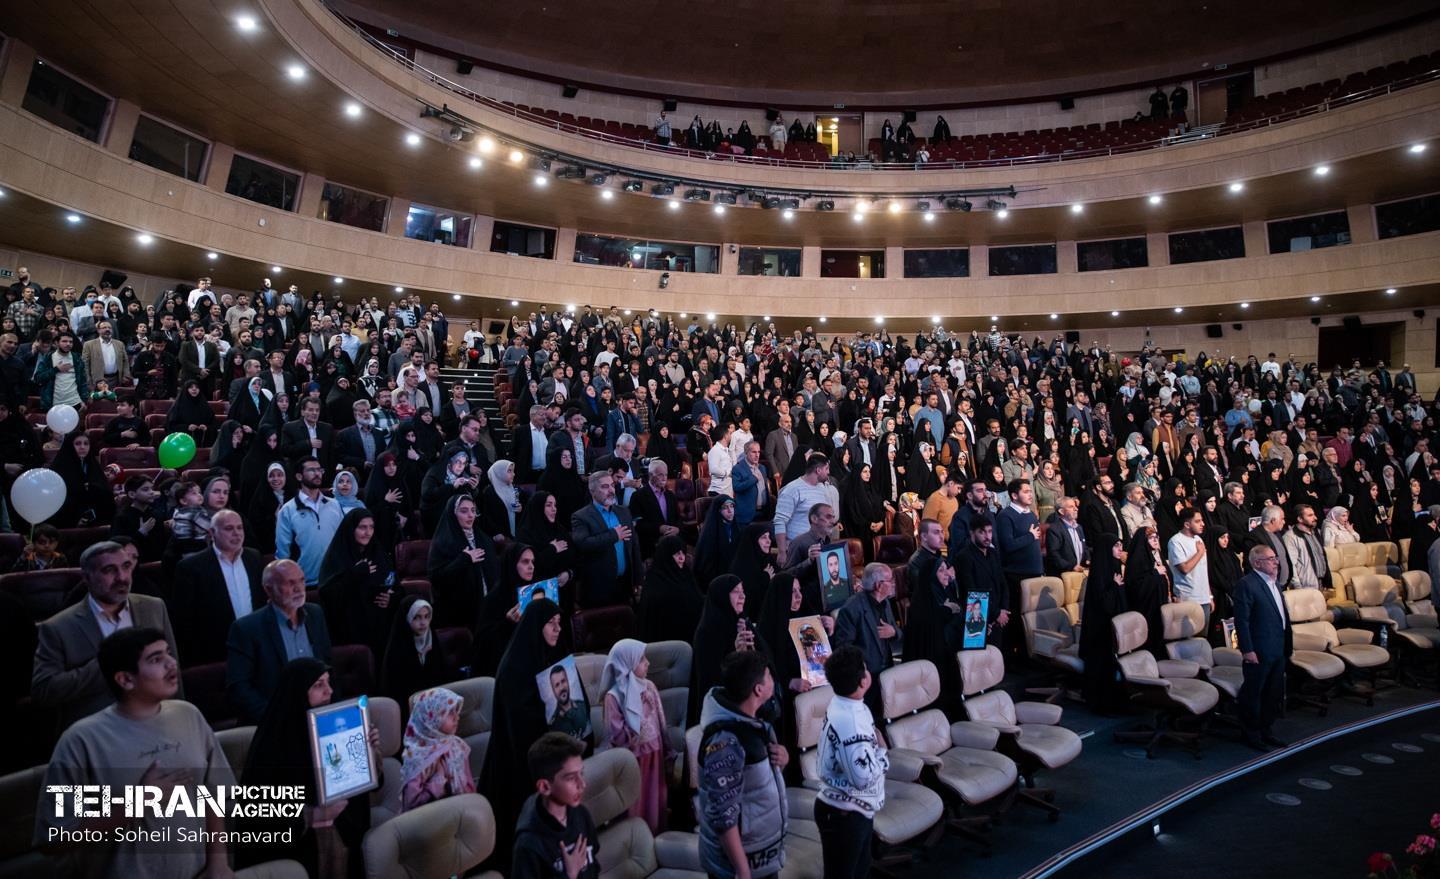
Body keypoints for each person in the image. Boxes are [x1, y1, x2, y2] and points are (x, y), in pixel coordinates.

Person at [35, 628, 234, 879]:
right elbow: (53, 839)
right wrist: (136, 803)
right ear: (125, 680)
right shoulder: (81, 741)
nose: (171, 663)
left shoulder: (189, 715)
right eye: (156, 659)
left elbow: (214, 794)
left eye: (168, 653)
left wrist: (219, 863)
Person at [237, 657, 375, 875]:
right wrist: (310, 816)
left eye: (329, 682)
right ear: (298, 692)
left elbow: (361, 788)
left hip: (343, 838)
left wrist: (368, 752)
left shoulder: (332, 730)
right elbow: (256, 814)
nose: (329, 691)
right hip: (295, 851)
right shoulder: (273, 744)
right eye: (319, 685)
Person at [32, 541, 178, 731]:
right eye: (109, 570)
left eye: (126, 566)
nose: (122, 577)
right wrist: (107, 664)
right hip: (98, 732)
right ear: (87, 577)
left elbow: (173, 670)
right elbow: (44, 691)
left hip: (158, 723)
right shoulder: (58, 627)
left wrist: (176, 720)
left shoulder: (154, 607)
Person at [481, 598, 565, 866]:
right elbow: (520, 723)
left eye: (559, 623)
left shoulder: (547, 656)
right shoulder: (513, 668)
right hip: (516, 761)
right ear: (536, 627)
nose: (557, 629)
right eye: (551, 623)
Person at [696, 649, 788, 879]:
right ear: (758, 689)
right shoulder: (725, 743)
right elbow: (724, 817)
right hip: (741, 866)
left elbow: (754, 784)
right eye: (769, 676)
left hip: (761, 855)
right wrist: (742, 870)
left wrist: (781, 761)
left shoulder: (751, 722)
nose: (773, 680)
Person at [225, 559, 333, 724]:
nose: (299, 588)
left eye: (301, 581)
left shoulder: (315, 614)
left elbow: (328, 663)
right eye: (290, 583)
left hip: (318, 715)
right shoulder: (246, 628)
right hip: (275, 720)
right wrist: (276, 720)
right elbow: (239, 688)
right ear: (269, 589)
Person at [815, 645, 889, 879]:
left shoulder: (845, 703)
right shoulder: (851, 722)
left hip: (852, 810)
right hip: (845, 815)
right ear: (863, 681)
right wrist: (882, 754)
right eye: (865, 669)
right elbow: (862, 779)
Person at [171, 509, 266, 665]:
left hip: (256, 644)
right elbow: (184, 620)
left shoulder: (254, 557)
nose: (236, 533)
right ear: (212, 533)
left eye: (239, 527)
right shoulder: (191, 567)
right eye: (229, 528)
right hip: (216, 652)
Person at [599, 639, 669, 834]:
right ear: (627, 663)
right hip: (634, 761)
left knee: (654, 800)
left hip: (654, 756)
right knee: (635, 803)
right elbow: (617, 735)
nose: (648, 663)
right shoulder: (614, 697)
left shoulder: (650, 687)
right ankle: (634, 839)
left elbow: (661, 720)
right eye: (641, 659)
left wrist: (668, 750)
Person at [512, 732, 600, 879]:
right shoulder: (528, 844)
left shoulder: (581, 813)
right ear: (545, 787)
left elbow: (594, 865)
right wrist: (570, 875)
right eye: (571, 778)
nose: (582, 784)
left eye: (582, 773)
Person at [1232, 546, 1292, 752]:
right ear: (1257, 563)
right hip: (1259, 650)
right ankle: (1251, 734)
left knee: (1272, 693)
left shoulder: (1275, 583)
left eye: (1276, 558)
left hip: (1278, 647)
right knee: (1254, 693)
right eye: (1271, 559)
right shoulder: (1246, 584)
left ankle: (1266, 730)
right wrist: (1247, 650)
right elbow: (1242, 621)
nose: (1276, 562)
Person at [832, 562, 901, 731]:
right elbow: (843, 649)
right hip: (866, 678)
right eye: (890, 580)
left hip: (886, 673)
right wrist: (861, 673)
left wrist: (893, 632)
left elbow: (896, 632)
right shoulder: (851, 608)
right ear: (878, 585)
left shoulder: (886, 603)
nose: (893, 583)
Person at [317, 508, 396, 654]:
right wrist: (355, 574)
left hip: (379, 626)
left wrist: (390, 598)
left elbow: (394, 583)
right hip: (349, 627)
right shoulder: (337, 556)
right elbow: (327, 593)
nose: (368, 532)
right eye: (362, 527)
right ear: (351, 529)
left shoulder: (378, 553)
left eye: (371, 527)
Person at [427, 494, 500, 631]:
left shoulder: (484, 539)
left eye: (473, 510)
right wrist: (464, 559)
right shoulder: (442, 542)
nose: (470, 515)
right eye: (464, 511)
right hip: (459, 612)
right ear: (453, 514)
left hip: (487, 607)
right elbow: (436, 578)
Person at [689, 574, 755, 725]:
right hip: (719, 711)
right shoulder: (708, 632)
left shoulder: (742, 622)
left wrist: (750, 647)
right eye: (735, 591)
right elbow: (711, 681)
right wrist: (736, 652)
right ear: (722, 596)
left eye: (743, 591)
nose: (742, 596)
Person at [570, 471, 642, 608]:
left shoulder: (623, 511)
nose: (611, 490)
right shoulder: (581, 517)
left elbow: (634, 546)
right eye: (604, 487)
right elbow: (583, 544)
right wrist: (614, 535)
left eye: (612, 485)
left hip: (624, 584)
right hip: (598, 589)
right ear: (592, 491)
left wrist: (638, 578)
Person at [401, 686, 477, 811]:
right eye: (448, 712)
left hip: (462, 810)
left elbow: (469, 785)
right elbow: (411, 805)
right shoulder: (417, 756)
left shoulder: (457, 745)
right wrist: (436, 785)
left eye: (455, 711)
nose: (456, 716)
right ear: (430, 719)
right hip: (433, 816)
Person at [274, 457, 344, 586]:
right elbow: (283, 553)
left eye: (319, 470)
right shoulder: (288, 510)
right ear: (299, 476)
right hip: (304, 583)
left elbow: (344, 541)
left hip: (335, 580)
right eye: (312, 470)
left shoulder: (334, 505)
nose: (317, 473)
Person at [1079, 535, 1128, 713]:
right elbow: (1103, 603)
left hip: (1112, 627)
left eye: (1120, 545)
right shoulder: (1100, 571)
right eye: (1116, 546)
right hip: (1099, 630)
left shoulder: (1114, 566)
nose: (1120, 549)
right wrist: (1115, 586)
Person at [637, 534, 704, 643]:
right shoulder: (654, 582)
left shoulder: (686, 574)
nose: (682, 558)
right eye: (677, 554)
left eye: (683, 553)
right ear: (666, 555)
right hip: (665, 642)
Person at [1123, 528, 1170, 656]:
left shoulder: (1156, 556)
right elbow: (1135, 586)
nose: (1155, 540)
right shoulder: (1137, 559)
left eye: (1156, 536)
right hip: (1146, 609)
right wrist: (1155, 573)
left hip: (1159, 605)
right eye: (1151, 537)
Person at [1168, 507, 1213, 628]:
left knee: (1203, 636)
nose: (1203, 524)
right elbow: (1184, 568)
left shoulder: (1198, 539)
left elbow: (1203, 571)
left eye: (1202, 520)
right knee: (1190, 636)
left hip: (1204, 598)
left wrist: (1209, 596)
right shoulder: (1175, 541)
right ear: (1187, 524)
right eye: (1198, 521)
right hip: (1188, 599)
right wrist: (1200, 552)